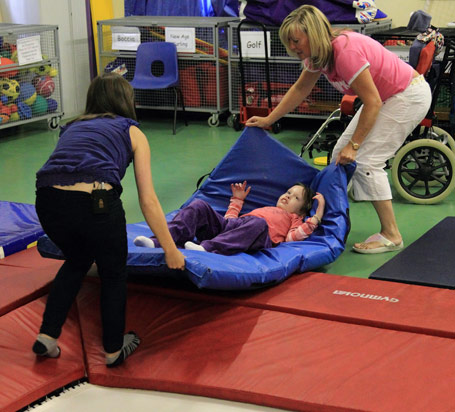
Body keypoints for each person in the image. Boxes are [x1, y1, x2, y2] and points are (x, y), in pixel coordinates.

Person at [245, 5, 432, 254]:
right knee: (337, 159)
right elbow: (301, 89)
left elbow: (373, 102)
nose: (292, 48)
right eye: (288, 42)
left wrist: (354, 145)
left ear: (313, 34)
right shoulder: (318, 56)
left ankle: (391, 234)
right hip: (386, 97)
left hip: (407, 95)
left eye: (296, 41)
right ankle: (328, 221)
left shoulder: (345, 51)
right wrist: (269, 118)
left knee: (365, 162)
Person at [33, 73, 185, 368]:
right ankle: (114, 348)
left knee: (77, 260)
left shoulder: (71, 127)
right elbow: (148, 200)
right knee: (113, 271)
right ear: (126, 101)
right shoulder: (132, 130)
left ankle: (48, 335)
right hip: (95, 201)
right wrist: (170, 249)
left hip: (47, 201)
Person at [134, 181, 325, 255]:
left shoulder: (294, 218)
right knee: (200, 206)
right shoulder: (265, 208)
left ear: (301, 211)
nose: (288, 195)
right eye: (288, 191)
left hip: (257, 237)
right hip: (233, 228)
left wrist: (317, 216)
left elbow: (294, 237)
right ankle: (161, 241)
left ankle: (208, 248)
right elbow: (231, 221)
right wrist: (237, 200)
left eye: (295, 197)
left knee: (258, 223)